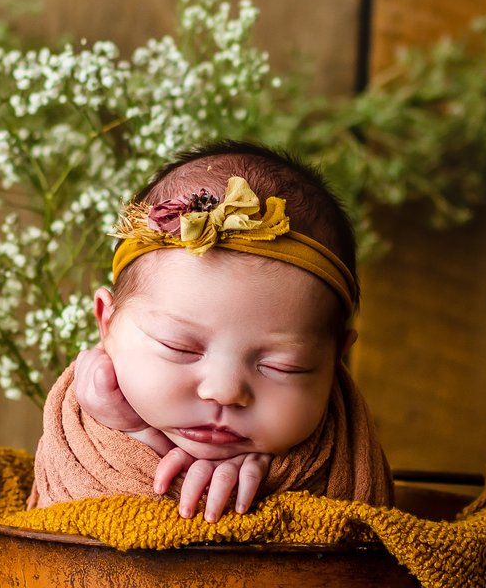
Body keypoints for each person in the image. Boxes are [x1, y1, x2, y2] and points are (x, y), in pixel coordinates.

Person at [30, 141, 393, 515]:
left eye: (283, 366)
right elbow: (63, 519)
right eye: (180, 347)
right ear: (107, 322)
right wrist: (129, 432)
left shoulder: (331, 451)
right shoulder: (88, 418)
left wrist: (273, 482)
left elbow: (350, 524)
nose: (224, 391)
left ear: (336, 358)